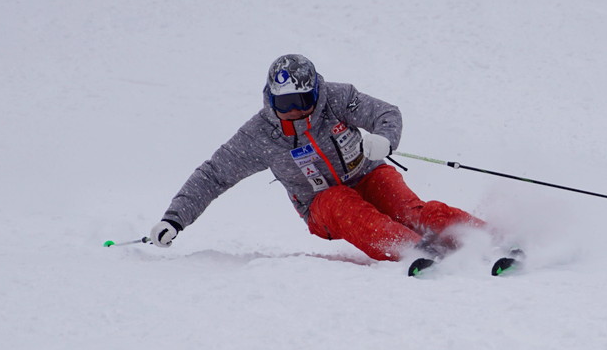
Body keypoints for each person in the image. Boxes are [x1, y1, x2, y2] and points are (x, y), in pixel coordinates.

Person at [150, 54, 485, 262]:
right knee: (340, 201)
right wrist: (174, 219)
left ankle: (486, 237)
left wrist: (385, 140)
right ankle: (416, 250)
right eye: (285, 104)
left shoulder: (338, 98)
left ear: (316, 91)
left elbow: (385, 113)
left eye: (303, 100)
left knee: (409, 209)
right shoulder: (259, 135)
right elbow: (214, 175)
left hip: (368, 175)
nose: (295, 111)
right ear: (270, 100)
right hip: (321, 206)